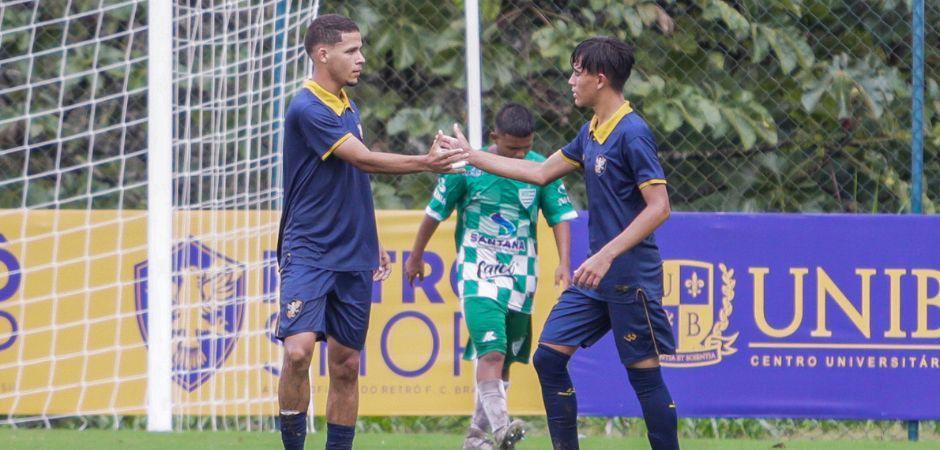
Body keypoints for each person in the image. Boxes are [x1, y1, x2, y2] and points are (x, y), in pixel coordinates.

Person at [443, 36, 680, 450]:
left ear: (600, 79)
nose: (570, 80)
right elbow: (539, 173)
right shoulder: (590, 131)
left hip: (628, 278)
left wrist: (606, 255)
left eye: (577, 72)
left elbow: (659, 207)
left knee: (644, 376)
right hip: (596, 279)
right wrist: (472, 156)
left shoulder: (633, 132)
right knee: (548, 358)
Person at [275, 13, 467, 450]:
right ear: (323, 55)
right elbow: (363, 160)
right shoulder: (307, 107)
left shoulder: (348, 104)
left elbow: (353, 181)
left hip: (355, 253)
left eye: (360, 49)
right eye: (351, 51)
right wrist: (426, 162)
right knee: (298, 351)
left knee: (346, 364)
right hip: (308, 249)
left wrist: (374, 237)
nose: (362, 59)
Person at [405, 103, 577, 450]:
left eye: (525, 147)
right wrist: (416, 255)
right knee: (493, 353)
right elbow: (433, 213)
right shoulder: (467, 168)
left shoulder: (540, 167)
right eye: (513, 148)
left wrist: (564, 262)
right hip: (478, 273)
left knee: (507, 362)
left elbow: (558, 217)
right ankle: (501, 430)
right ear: (494, 137)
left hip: (521, 277)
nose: (520, 154)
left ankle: (475, 438)